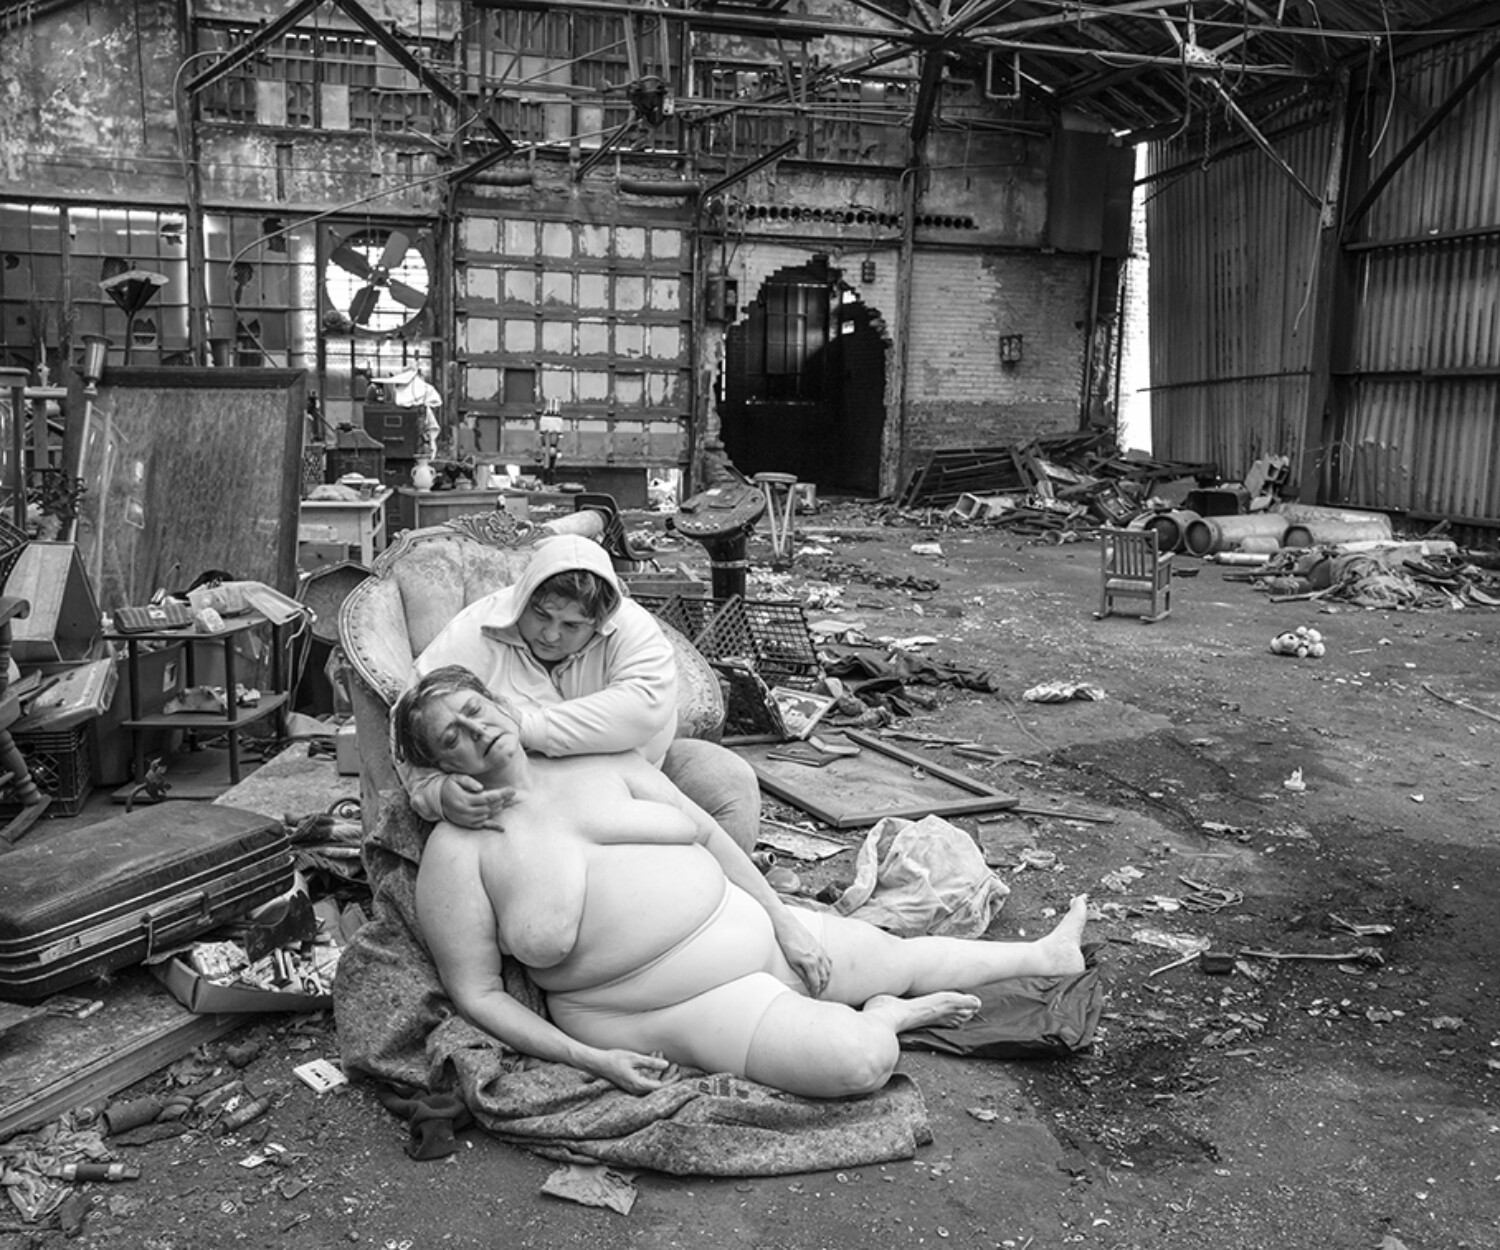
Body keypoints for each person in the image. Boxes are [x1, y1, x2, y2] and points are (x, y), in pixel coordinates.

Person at [395, 665, 1092, 1100]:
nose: (474, 731)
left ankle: (1042, 955)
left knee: (900, 955)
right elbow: (478, 994)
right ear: (439, 766)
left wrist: (782, 917)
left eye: (475, 711)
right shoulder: (459, 852)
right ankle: (885, 1016)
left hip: (750, 924)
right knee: (859, 1062)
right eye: (451, 737)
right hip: (666, 1004)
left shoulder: (600, 762)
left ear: (501, 705)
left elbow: (705, 832)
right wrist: (593, 1061)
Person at [399, 531, 761, 853]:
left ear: (599, 621)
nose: (551, 635)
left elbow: (644, 707)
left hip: (644, 775)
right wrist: (436, 792)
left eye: (572, 625)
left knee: (729, 779)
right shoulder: (474, 632)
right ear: (523, 597)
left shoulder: (629, 626)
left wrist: (523, 726)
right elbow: (409, 722)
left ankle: (720, 893)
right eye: (541, 615)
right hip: (529, 796)